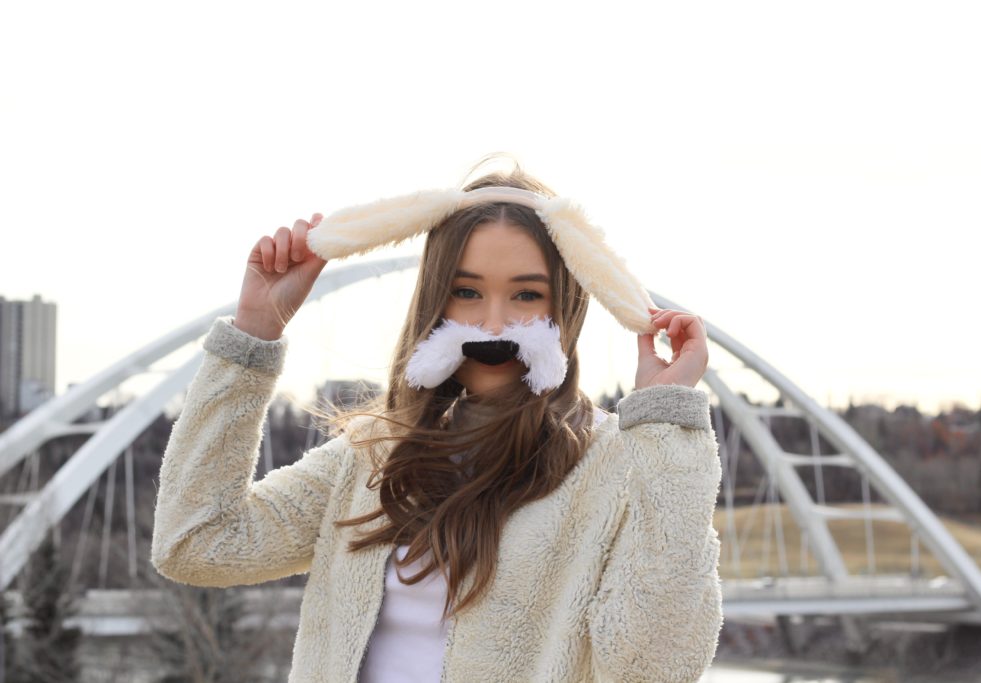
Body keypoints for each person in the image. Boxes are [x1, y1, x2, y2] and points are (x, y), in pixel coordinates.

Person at [150, 158, 724, 682]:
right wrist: (254, 331)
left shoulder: (617, 467)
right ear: (434, 300)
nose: (492, 324)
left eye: (526, 296)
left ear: (566, 307)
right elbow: (197, 543)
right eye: (466, 292)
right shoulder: (372, 456)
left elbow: (654, 666)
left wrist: (666, 424)